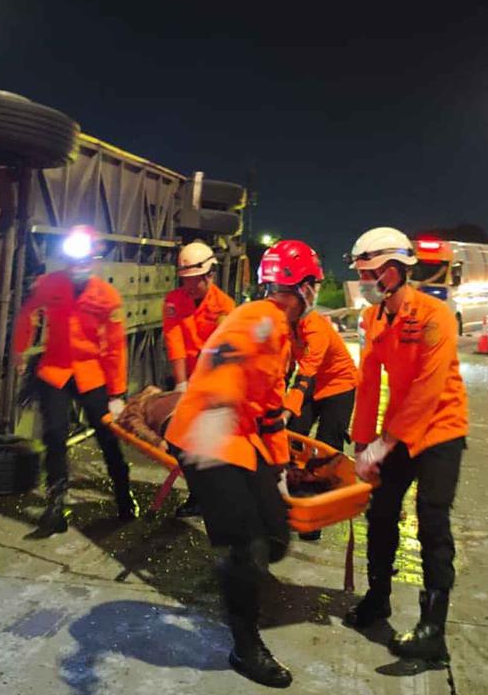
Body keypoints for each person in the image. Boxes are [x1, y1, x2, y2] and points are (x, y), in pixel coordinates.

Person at [165, 239, 324, 688]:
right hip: (208, 436)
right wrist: (216, 419)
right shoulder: (261, 322)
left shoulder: (272, 322)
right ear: (307, 287)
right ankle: (245, 645)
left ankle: (239, 571)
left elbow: (269, 408)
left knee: (275, 534)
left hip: (236, 434)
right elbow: (225, 367)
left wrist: (277, 472)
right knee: (250, 546)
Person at [342, 226, 469, 668]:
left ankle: (433, 631)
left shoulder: (435, 315)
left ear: (394, 271)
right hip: (395, 430)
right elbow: (367, 382)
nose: (363, 281)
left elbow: (428, 389)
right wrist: (362, 445)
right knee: (380, 514)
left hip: (440, 430)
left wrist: (385, 442)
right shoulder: (372, 320)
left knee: (432, 521)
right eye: (361, 272)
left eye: (369, 272)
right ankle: (377, 599)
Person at [12, 226, 135, 538]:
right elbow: (28, 313)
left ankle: (123, 493)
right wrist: (19, 351)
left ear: (94, 257)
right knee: (54, 435)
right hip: (55, 371)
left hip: (92, 374)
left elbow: (116, 346)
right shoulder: (49, 284)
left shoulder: (106, 296)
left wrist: (117, 392)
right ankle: (56, 503)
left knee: (107, 436)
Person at [162, 241, 236, 518]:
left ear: (209, 275)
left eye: (195, 281)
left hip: (214, 382)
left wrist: (201, 388)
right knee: (178, 439)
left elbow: (220, 352)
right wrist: (182, 386)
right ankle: (199, 493)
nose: (189, 286)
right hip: (187, 380)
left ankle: (213, 495)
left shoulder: (224, 307)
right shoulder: (173, 300)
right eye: (185, 280)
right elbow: (175, 341)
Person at [284, 309, 358, 541]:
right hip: (314, 384)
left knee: (327, 447)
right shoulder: (285, 324)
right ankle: (292, 497)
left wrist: (287, 410)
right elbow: (285, 366)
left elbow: (305, 372)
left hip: (339, 384)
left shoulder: (315, 326)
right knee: (292, 436)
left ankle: (316, 515)